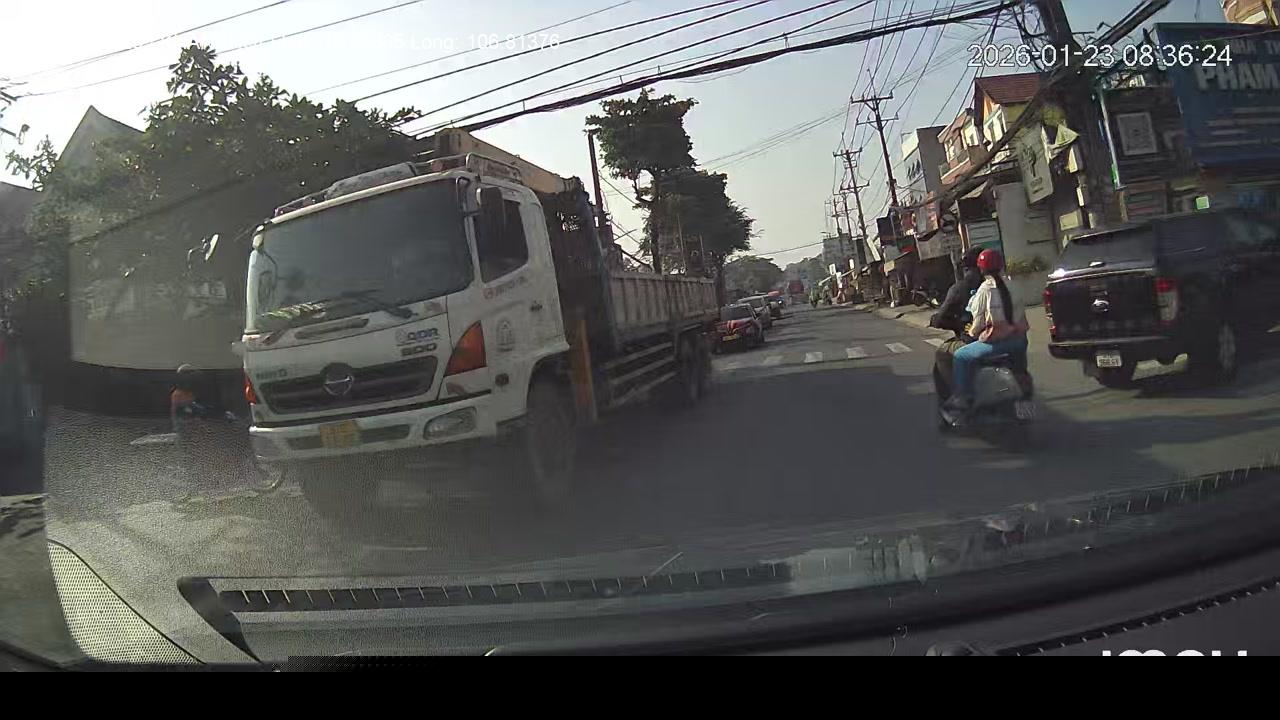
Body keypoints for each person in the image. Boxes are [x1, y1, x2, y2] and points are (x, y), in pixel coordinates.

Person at [944, 249, 1030, 412]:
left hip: (997, 343)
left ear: (981, 269)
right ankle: (1023, 384)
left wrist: (972, 333)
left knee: (960, 356)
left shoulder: (985, 290)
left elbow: (978, 324)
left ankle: (963, 397)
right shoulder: (1014, 285)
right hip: (1019, 340)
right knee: (1020, 365)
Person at [929, 246, 986, 390]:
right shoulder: (999, 285)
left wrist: (958, 325)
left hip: (975, 340)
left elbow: (941, 318)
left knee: (942, 353)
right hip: (1005, 338)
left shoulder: (960, 288)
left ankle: (960, 393)